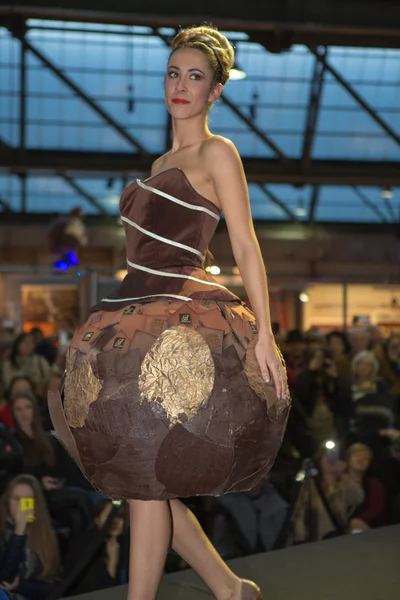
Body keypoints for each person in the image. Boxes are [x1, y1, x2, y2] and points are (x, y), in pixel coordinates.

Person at [49, 25, 290, 600]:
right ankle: (229, 588)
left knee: (143, 479)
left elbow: (246, 243)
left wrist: (266, 335)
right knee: (139, 477)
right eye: (174, 73)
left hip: (179, 325)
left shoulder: (217, 151)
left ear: (215, 92)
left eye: (196, 77)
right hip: (131, 320)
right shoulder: (161, 162)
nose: (181, 85)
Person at [0, 474, 60, 600]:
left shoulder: (45, 534)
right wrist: (19, 532)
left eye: (27, 500)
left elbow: (55, 588)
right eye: (17, 499)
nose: (22, 506)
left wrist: (21, 586)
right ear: (7, 501)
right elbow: (5, 579)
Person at [345, 443, 388, 530]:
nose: (361, 459)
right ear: (348, 459)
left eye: (366, 458)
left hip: (367, 529)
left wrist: (359, 521)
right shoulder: (337, 482)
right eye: (357, 455)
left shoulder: (375, 484)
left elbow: (375, 509)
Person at [2, 334, 52, 402]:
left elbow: (48, 380)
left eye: (31, 342)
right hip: (14, 401)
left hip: (37, 400)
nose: (28, 345)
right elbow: (7, 384)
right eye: (25, 342)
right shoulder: (9, 364)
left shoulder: (40, 361)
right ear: (17, 345)